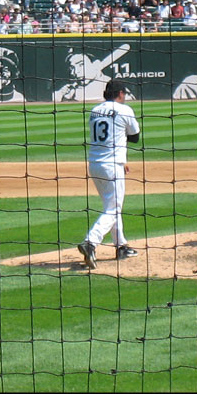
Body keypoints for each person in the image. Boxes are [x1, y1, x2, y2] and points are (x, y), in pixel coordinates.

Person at [77, 80, 141, 269]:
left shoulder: (95, 110)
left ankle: (121, 246)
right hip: (112, 166)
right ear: (120, 93)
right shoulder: (124, 110)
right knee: (113, 209)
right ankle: (90, 242)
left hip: (95, 165)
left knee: (111, 206)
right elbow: (135, 137)